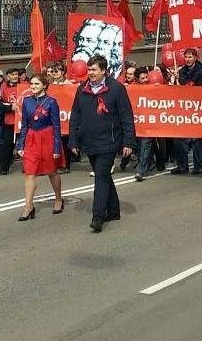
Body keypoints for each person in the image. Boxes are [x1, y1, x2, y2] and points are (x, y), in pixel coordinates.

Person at [69, 54, 135, 233]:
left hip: (109, 141)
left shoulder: (116, 89)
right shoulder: (82, 89)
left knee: (100, 177)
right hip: (90, 141)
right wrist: (74, 139)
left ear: (103, 71)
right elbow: (75, 116)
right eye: (89, 69)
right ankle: (114, 211)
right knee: (104, 176)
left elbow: (126, 116)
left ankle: (98, 216)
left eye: (93, 70)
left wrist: (128, 141)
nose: (90, 73)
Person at [14, 74, 63, 220]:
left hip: (47, 138)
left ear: (44, 85)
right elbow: (24, 125)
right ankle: (28, 206)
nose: (33, 87)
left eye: (36, 84)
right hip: (31, 138)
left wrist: (56, 148)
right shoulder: (27, 101)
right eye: (32, 84)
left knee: (52, 172)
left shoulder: (51, 102)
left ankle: (58, 199)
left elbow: (56, 126)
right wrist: (21, 143)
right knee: (29, 172)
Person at [172, 47, 202, 174]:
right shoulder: (181, 71)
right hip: (184, 108)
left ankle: (198, 166)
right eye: (186, 57)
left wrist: (182, 82)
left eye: (190, 57)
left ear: (195, 58)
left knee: (197, 139)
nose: (187, 59)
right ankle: (182, 165)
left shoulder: (201, 72)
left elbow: (196, 89)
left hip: (197, 108)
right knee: (179, 139)